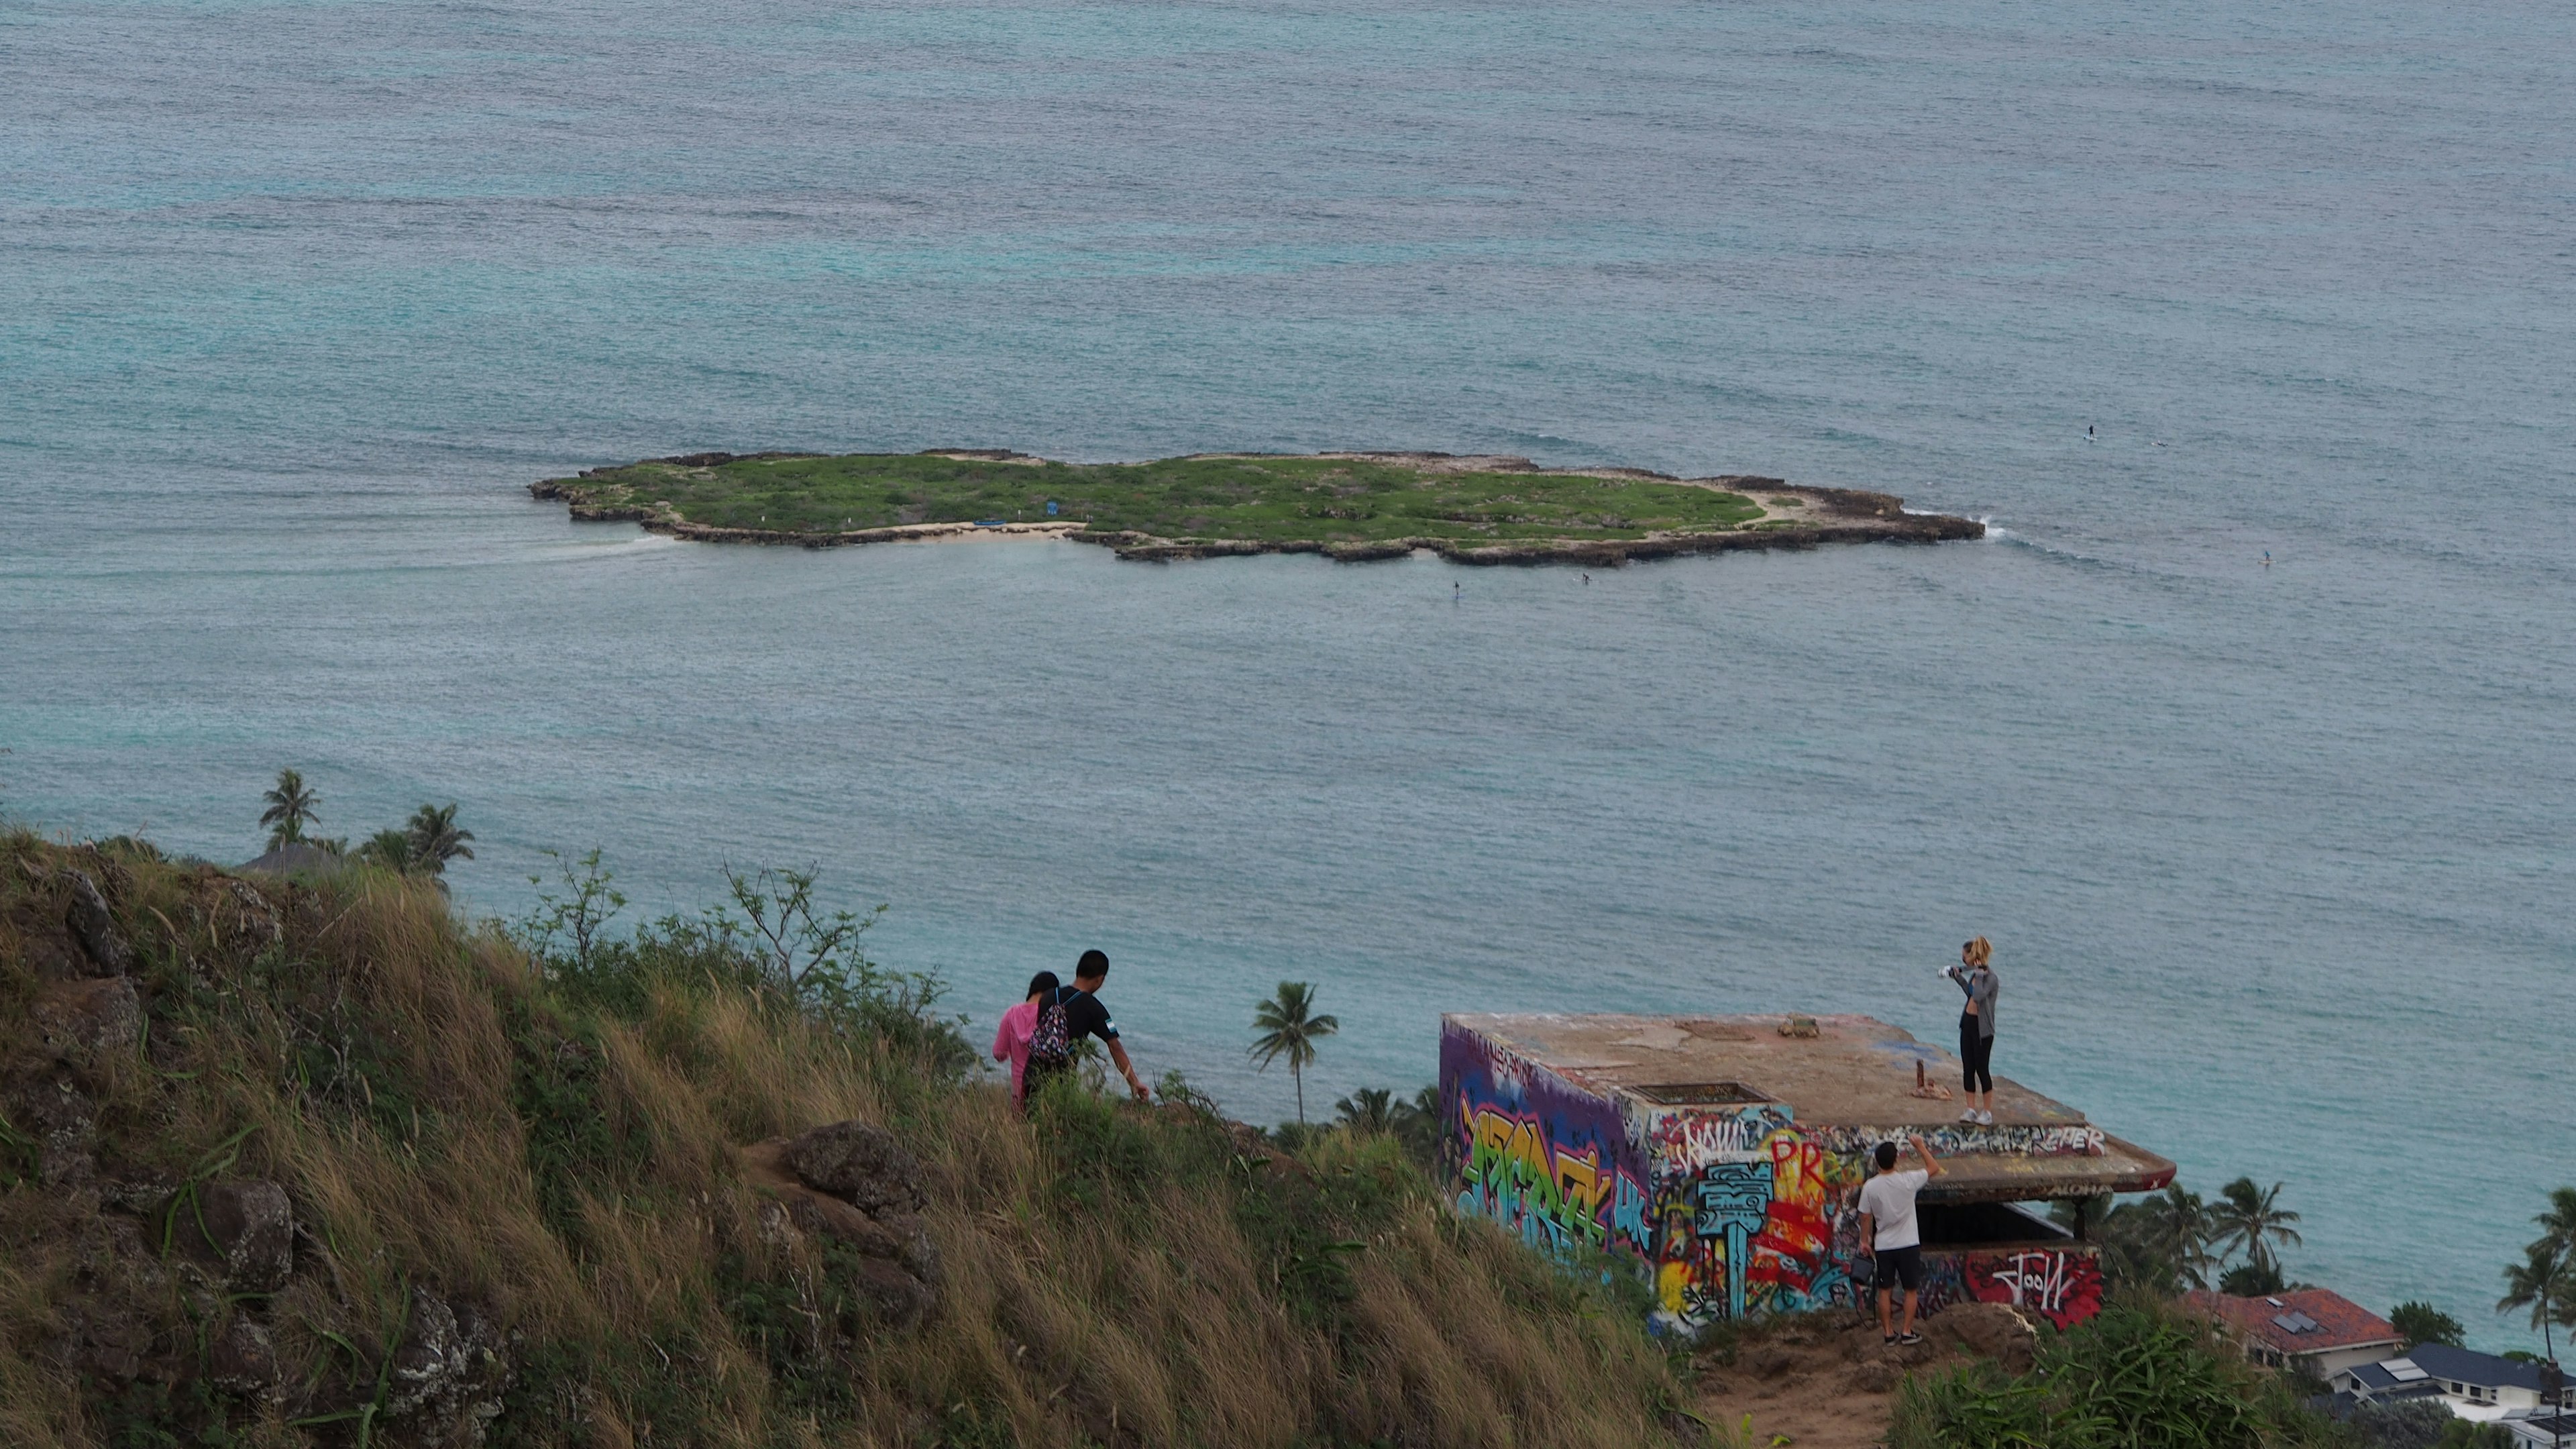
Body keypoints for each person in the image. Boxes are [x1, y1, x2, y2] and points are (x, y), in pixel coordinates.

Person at [1022, 949, 1152, 1106]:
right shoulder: (1093, 1007)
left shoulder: (1049, 995)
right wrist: (1134, 1082)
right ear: (1100, 980)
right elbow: (1114, 1046)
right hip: (1061, 1081)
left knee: (1029, 1121)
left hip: (1032, 1073)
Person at [1856, 1134, 1945, 1346]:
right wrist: (1921, 1146)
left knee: (1885, 1290)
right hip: (1909, 1244)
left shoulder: (1870, 1186)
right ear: (1896, 1160)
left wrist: (1864, 1241)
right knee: (1910, 1290)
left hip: (1885, 1246)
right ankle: (1906, 1331)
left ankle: (1888, 1333)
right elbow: (1934, 1167)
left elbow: (1865, 1216)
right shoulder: (1908, 1180)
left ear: (1877, 1162)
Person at [1943, 936, 1998, 1125]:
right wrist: (1958, 977)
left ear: (1973, 957)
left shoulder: (1990, 978)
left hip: (1983, 1029)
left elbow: (1979, 996)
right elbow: (1970, 993)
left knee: (1982, 1069)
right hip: (1967, 1023)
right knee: (1968, 1068)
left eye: (1964, 957)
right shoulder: (1976, 976)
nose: (1963, 960)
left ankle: (1987, 1111)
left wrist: (1980, 975)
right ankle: (1970, 1109)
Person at [991, 969, 1059, 1111]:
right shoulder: (1049, 1016)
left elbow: (999, 1053)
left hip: (1019, 1082)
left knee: (1019, 1125)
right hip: (1045, 1081)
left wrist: (1013, 1051)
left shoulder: (1011, 1013)